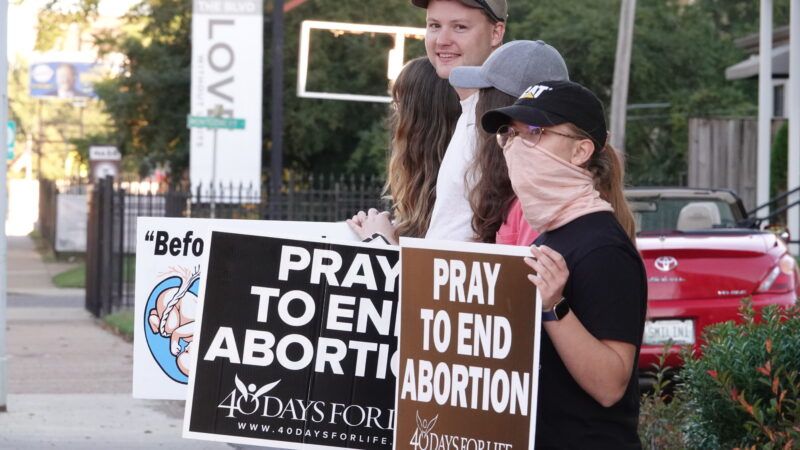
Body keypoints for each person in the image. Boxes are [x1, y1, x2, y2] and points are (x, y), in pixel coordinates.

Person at [481, 80, 647, 449]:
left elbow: (610, 385)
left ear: (581, 151)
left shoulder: (604, 249)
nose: (519, 147)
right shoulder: (550, 238)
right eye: (511, 134)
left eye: (536, 133)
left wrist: (555, 308)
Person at [348, 0, 507, 243]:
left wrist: (381, 242)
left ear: (496, 33)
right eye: (434, 25)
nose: (442, 40)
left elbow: (448, 266)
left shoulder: (499, 127)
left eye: (460, 27)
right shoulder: (470, 115)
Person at [448, 40, 569, 245]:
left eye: (481, 94)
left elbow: (520, 276)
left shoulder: (538, 200)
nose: (475, 106)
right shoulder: (509, 185)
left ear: (499, 107)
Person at [363, 57, 461, 241]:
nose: (397, 118)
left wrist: (380, 240)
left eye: (399, 105)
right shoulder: (429, 190)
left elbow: (429, 267)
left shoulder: (455, 188)